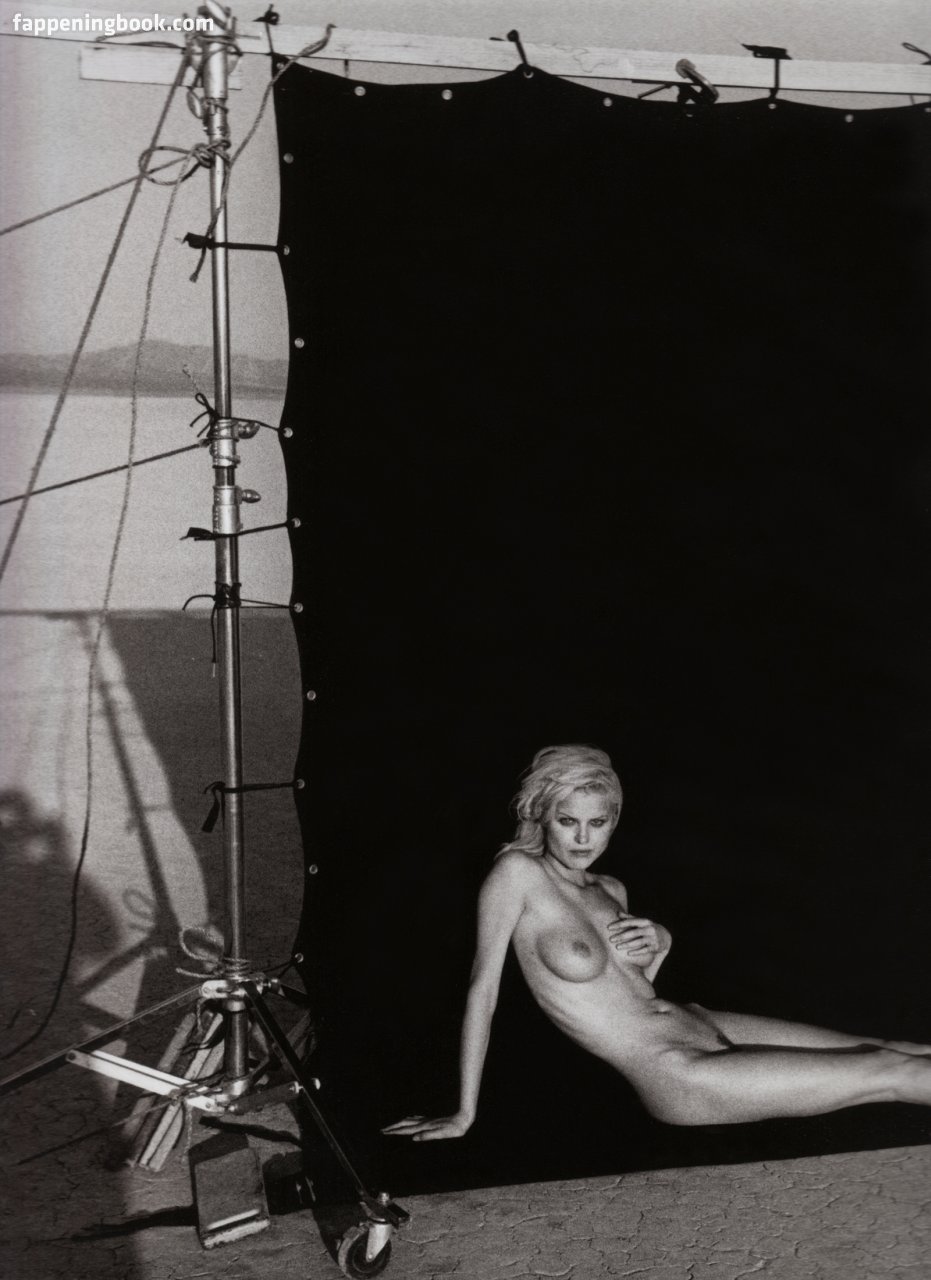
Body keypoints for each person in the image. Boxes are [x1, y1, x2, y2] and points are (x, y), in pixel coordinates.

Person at [383, 744, 931, 1140]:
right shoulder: (517, 876)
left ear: (614, 820)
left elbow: (632, 991)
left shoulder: (611, 888)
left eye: (597, 822)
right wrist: (465, 1112)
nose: (582, 838)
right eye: (567, 820)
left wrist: (660, 945)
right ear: (542, 817)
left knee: (899, 1049)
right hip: (675, 1070)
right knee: (894, 1072)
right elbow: (482, 991)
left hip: (700, 1021)